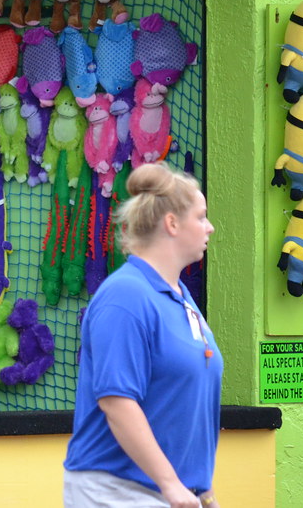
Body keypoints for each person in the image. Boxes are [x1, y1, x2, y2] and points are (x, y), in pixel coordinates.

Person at [63, 161, 222, 508]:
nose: (210, 227)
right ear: (172, 223)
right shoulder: (126, 296)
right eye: (201, 216)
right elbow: (117, 402)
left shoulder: (179, 295)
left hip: (172, 491)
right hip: (118, 491)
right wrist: (171, 485)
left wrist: (200, 488)